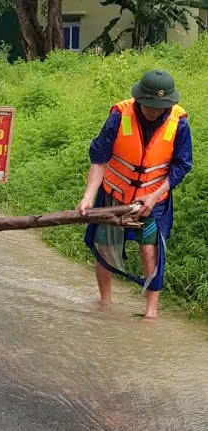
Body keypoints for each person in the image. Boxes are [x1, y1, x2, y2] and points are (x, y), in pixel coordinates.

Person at [77, 70, 193, 320]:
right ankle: (105, 303)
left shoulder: (179, 122)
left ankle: (151, 313)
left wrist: (154, 196)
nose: (154, 111)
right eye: (150, 106)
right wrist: (88, 196)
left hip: (153, 199)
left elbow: (181, 166)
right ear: (140, 100)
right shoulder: (119, 116)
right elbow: (99, 159)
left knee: (149, 251)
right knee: (105, 247)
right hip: (114, 193)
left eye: (160, 107)